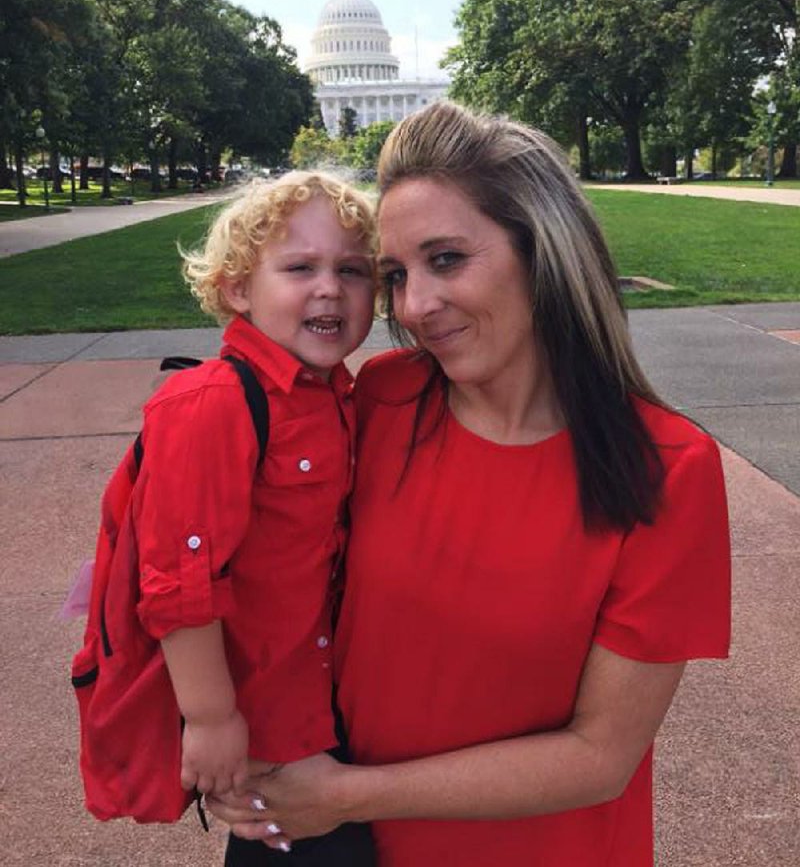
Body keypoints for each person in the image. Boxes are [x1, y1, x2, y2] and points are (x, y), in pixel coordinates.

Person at [209, 103, 731, 867]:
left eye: (446, 259)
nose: (414, 307)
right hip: (338, 849)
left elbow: (600, 755)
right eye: (395, 275)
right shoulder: (379, 402)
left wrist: (346, 794)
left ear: (543, 251)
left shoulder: (666, 468)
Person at [105, 172, 376, 864]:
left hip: (325, 699)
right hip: (264, 718)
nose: (330, 288)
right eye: (299, 268)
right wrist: (211, 716)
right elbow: (180, 582)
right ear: (235, 289)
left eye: (353, 270)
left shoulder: (337, 397)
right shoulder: (212, 405)